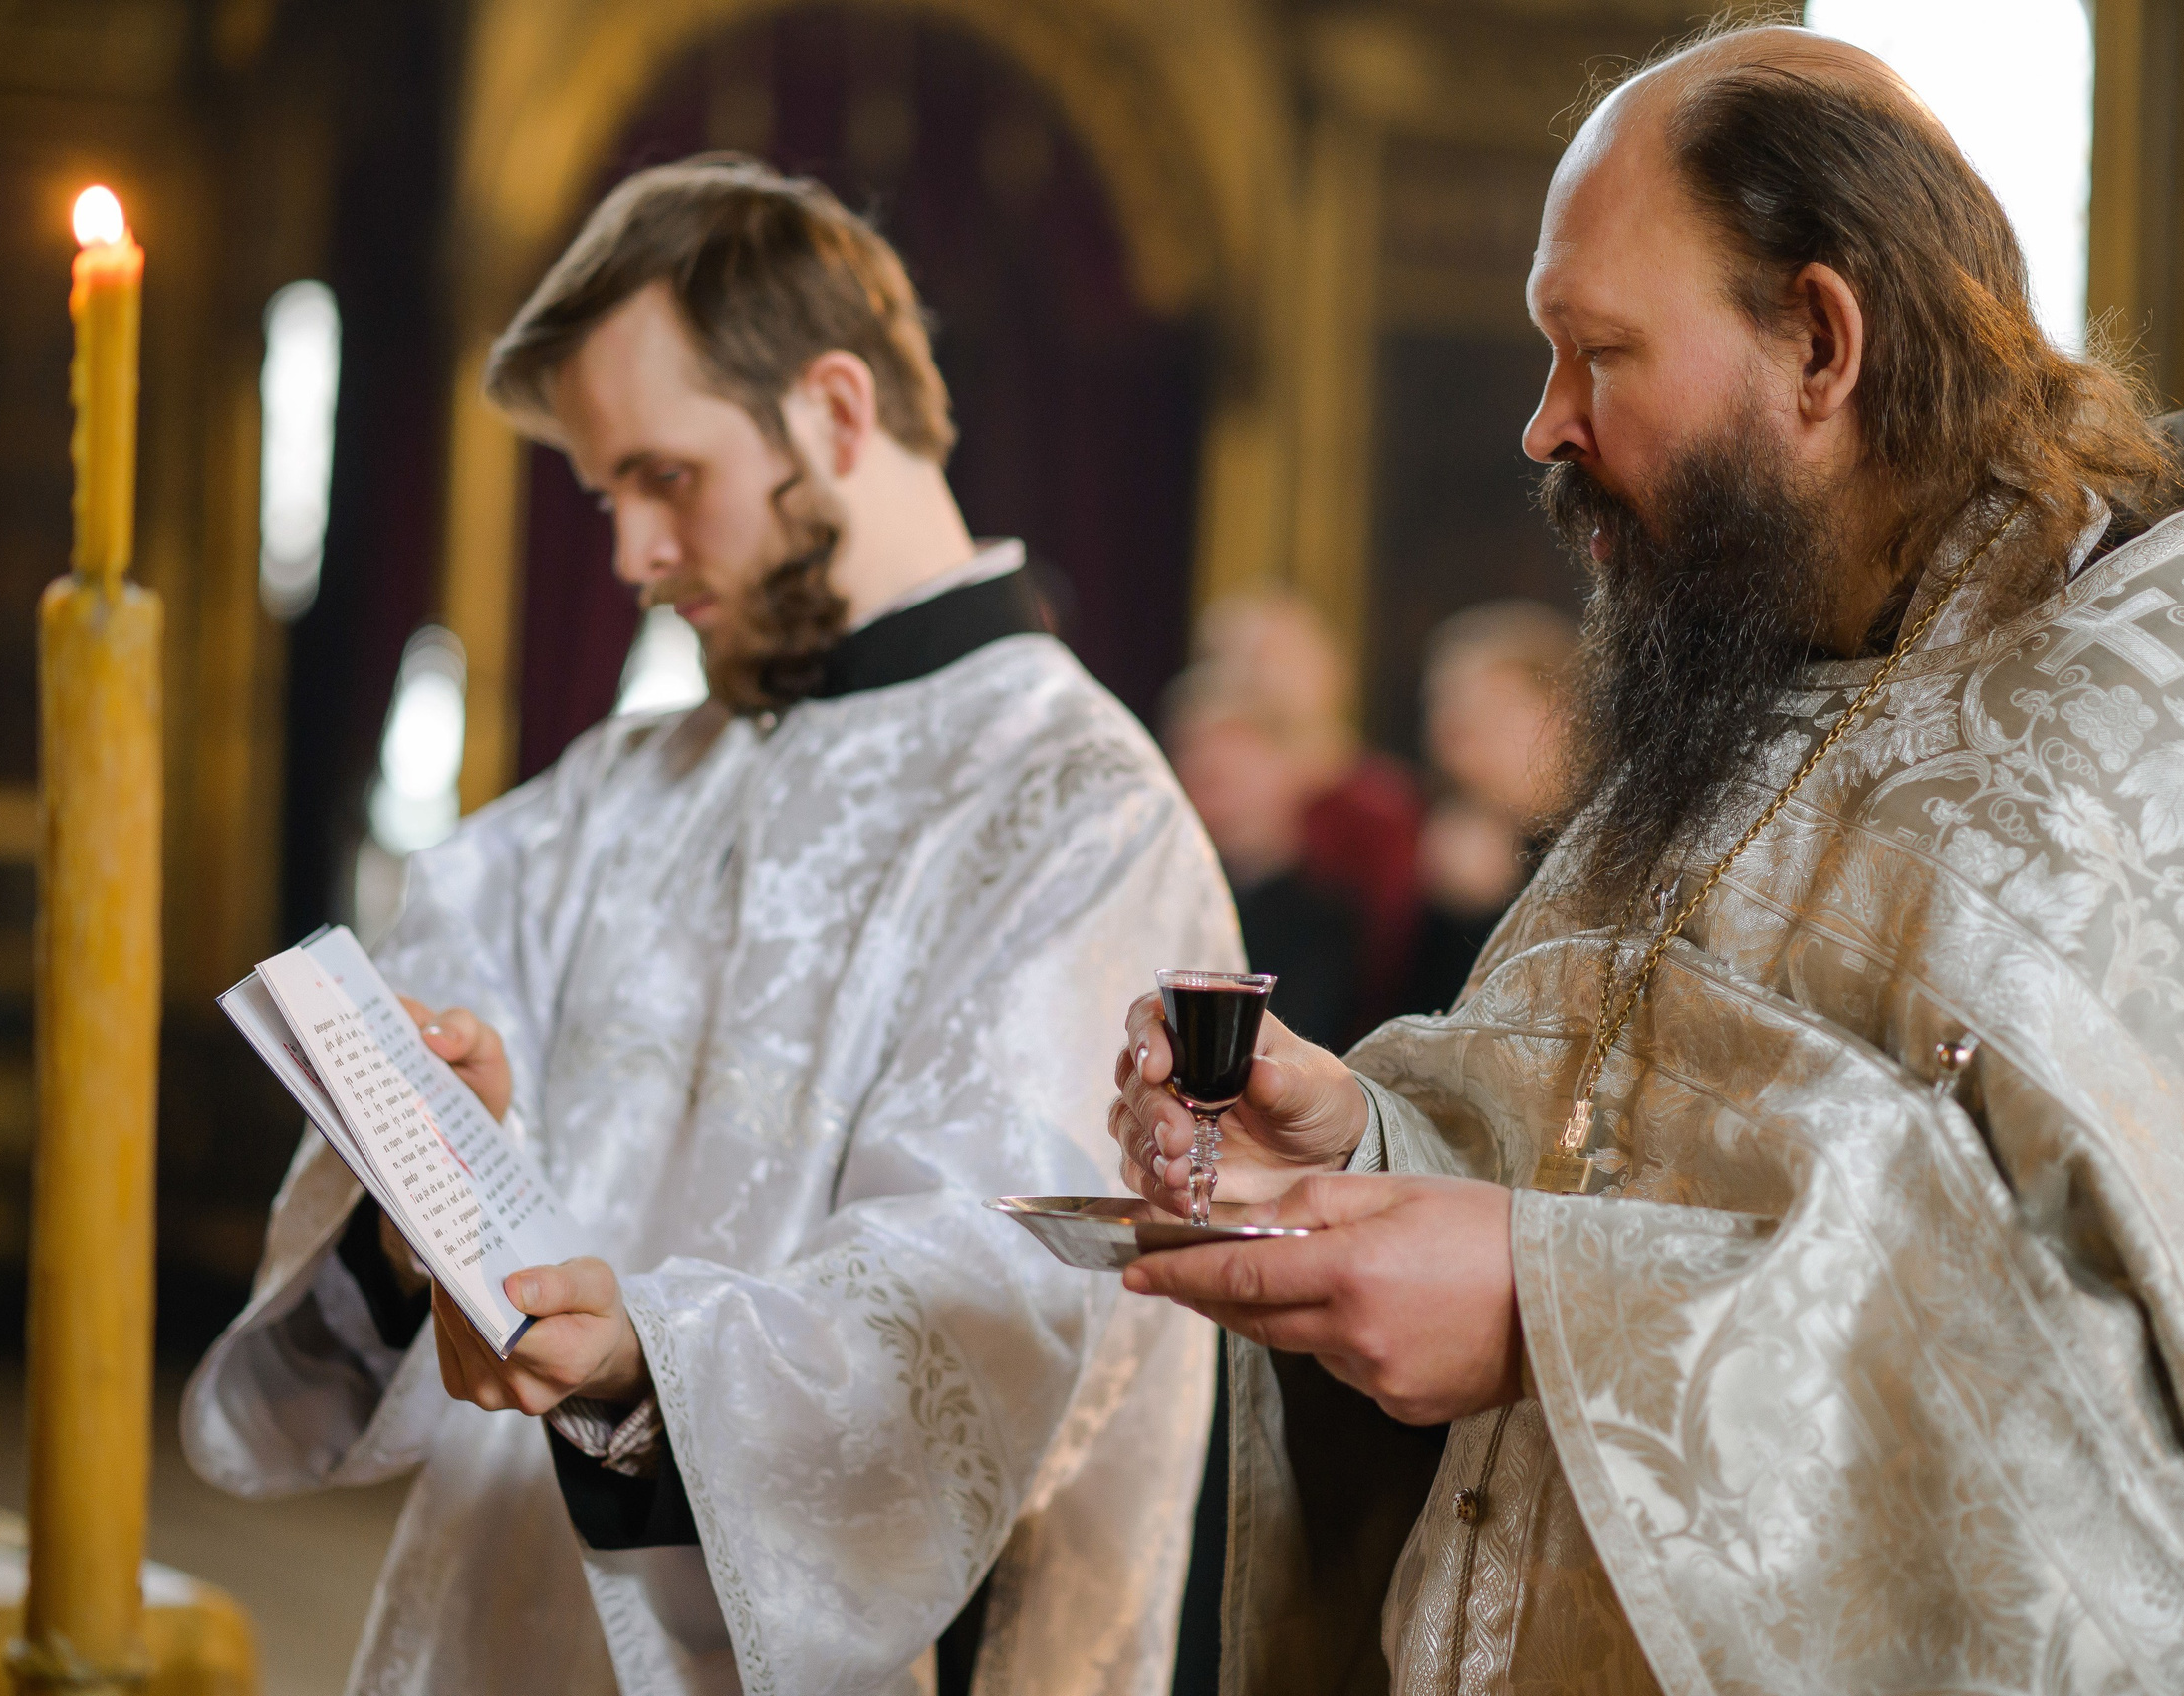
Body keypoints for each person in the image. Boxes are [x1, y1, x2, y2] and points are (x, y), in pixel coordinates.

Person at [1102, 25, 2184, 1694]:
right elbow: (1609, 1125)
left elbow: (2130, 1423)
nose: (1543, 426)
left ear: (1821, 342)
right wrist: (1361, 1132)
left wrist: (1545, 1306)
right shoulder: (1752, 660)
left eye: (1598, 353)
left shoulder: (2138, 748)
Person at [185, 156, 1238, 1695]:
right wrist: (421, 1194)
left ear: (834, 410)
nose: (631, 556)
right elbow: (408, 1225)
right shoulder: (610, 792)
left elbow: (994, 1293)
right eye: (607, 498)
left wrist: (642, 1362)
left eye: (666, 477)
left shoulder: (1081, 810)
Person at [1194, 593, 1423, 1039]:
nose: (1256, 678)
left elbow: (1388, 953)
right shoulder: (1207, 785)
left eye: (1273, 658)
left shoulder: (1376, 804)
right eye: (1234, 660)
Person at [1161, 663, 1361, 1052]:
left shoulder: (1328, 921)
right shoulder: (1163, 904)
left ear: (1290, 765)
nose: (1211, 761)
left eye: (1236, 740)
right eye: (1192, 745)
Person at [1399, 601, 1576, 1018]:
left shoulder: (1611, 836)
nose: (1457, 727)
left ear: (1562, 713)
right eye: (1443, 705)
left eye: (1493, 704)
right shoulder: (1426, 829)